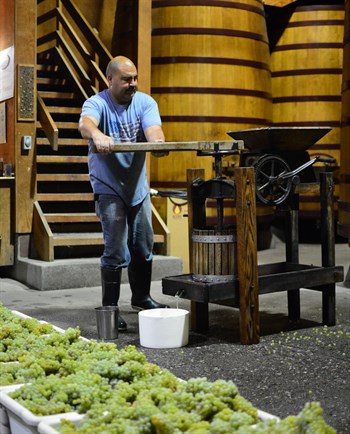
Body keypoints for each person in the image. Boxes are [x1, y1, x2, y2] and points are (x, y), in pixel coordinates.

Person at [78, 55, 169, 331]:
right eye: (127, 79)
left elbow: (154, 130)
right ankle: (110, 308)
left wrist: (157, 142)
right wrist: (97, 135)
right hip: (108, 186)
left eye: (135, 78)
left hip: (136, 187)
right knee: (115, 248)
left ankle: (141, 297)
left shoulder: (144, 102)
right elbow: (85, 124)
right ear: (110, 80)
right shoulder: (98, 103)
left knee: (143, 246)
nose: (133, 84)